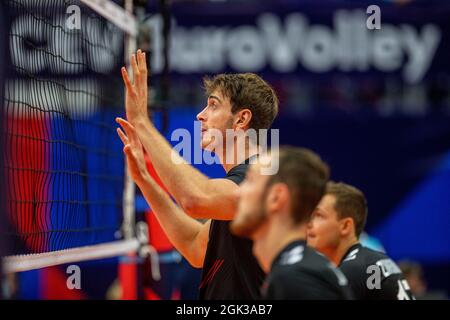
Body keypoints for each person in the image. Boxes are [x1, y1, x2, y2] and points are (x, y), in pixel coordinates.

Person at [116, 49, 278, 299]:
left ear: (241, 119)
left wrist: (141, 121)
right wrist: (144, 181)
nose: (200, 115)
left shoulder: (261, 180)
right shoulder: (242, 184)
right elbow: (194, 246)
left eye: (213, 105)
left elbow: (195, 200)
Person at [230, 147, 353, 299]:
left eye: (250, 181)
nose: (238, 192)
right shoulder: (294, 271)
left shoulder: (295, 278)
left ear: (276, 197)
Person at [307, 181, 415, 300]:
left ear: (345, 226)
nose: (308, 224)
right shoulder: (372, 260)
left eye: (318, 215)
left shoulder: (353, 270)